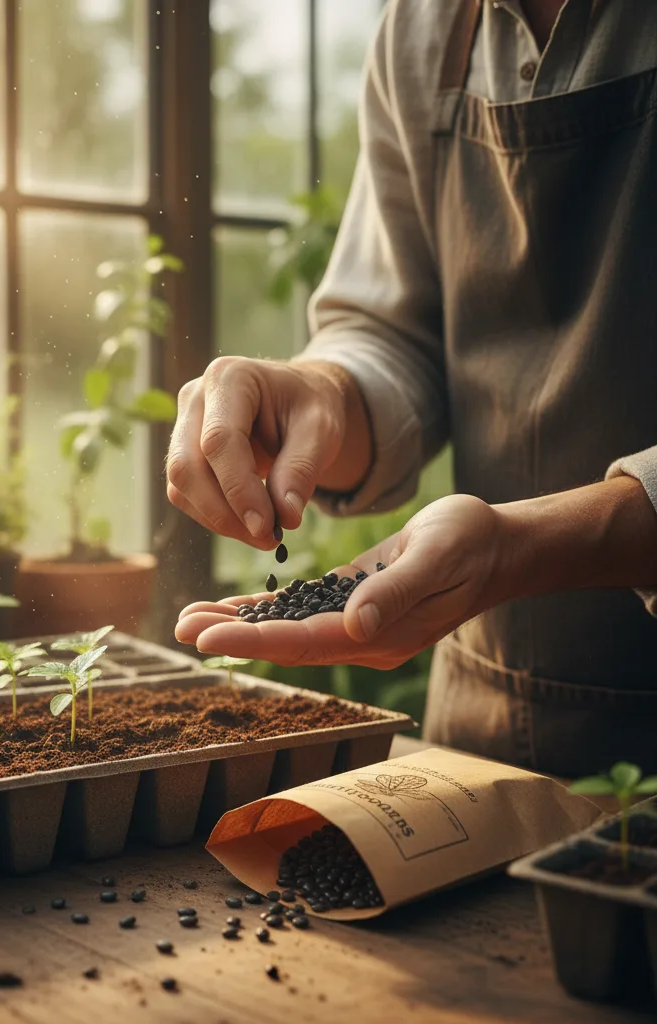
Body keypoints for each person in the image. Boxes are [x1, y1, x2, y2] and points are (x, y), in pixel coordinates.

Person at [168, 0, 657, 777]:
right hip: (485, 733)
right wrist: (320, 393)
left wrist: (520, 549)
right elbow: (396, 332)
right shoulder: (426, 26)